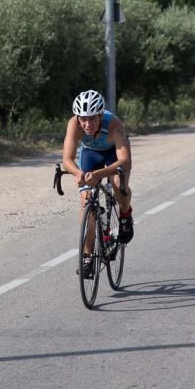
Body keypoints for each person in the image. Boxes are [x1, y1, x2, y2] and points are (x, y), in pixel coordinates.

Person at [62, 90, 134, 264]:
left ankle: (125, 215)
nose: (87, 124)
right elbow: (67, 159)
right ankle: (87, 258)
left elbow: (125, 161)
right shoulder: (74, 124)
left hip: (113, 155)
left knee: (117, 183)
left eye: (92, 119)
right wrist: (79, 174)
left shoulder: (114, 125)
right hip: (90, 154)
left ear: (101, 115)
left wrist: (97, 174)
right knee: (86, 199)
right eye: (83, 119)